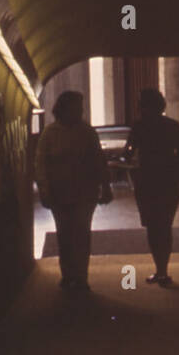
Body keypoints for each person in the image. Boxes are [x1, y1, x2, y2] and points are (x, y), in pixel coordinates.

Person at [34, 90, 112, 294]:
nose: (80, 111)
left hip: (85, 194)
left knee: (81, 234)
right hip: (60, 193)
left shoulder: (87, 132)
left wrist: (105, 186)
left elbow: (99, 161)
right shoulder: (50, 134)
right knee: (65, 235)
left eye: (81, 108)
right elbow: (41, 164)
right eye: (77, 107)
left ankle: (79, 276)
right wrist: (44, 188)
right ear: (64, 109)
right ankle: (69, 274)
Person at [123, 88, 179, 286]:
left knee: (152, 226)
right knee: (165, 226)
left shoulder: (139, 127)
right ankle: (163, 270)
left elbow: (128, 153)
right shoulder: (173, 126)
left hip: (147, 181)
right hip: (169, 182)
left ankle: (159, 269)